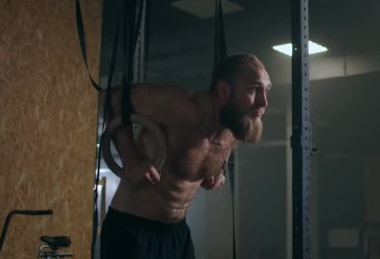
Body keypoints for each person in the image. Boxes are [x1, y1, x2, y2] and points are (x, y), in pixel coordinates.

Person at [100, 53, 272, 259]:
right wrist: (131, 160)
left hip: (177, 234)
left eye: (267, 90)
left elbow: (212, 153)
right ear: (224, 90)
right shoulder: (186, 109)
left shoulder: (234, 125)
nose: (264, 102)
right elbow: (115, 99)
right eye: (254, 89)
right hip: (132, 229)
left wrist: (218, 171)